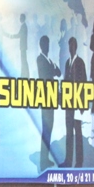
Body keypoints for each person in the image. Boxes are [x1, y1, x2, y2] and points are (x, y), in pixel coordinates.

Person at [35, 34, 60, 171]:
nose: (47, 47)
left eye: (48, 44)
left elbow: (59, 72)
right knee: (46, 130)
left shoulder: (49, 61)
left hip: (51, 100)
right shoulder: (40, 59)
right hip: (45, 100)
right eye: (45, 44)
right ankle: (43, 161)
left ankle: (45, 159)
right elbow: (46, 75)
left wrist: (53, 68)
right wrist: (53, 68)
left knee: (49, 130)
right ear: (41, 46)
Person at [62, 37, 87, 168]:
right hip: (68, 104)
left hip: (77, 104)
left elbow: (84, 83)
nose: (71, 48)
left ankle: (79, 162)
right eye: (69, 46)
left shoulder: (80, 62)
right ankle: (68, 161)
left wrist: (82, 103)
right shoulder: (67, 63)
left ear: (76, 47)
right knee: (69, 133)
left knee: (78, 133)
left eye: (72, 46)